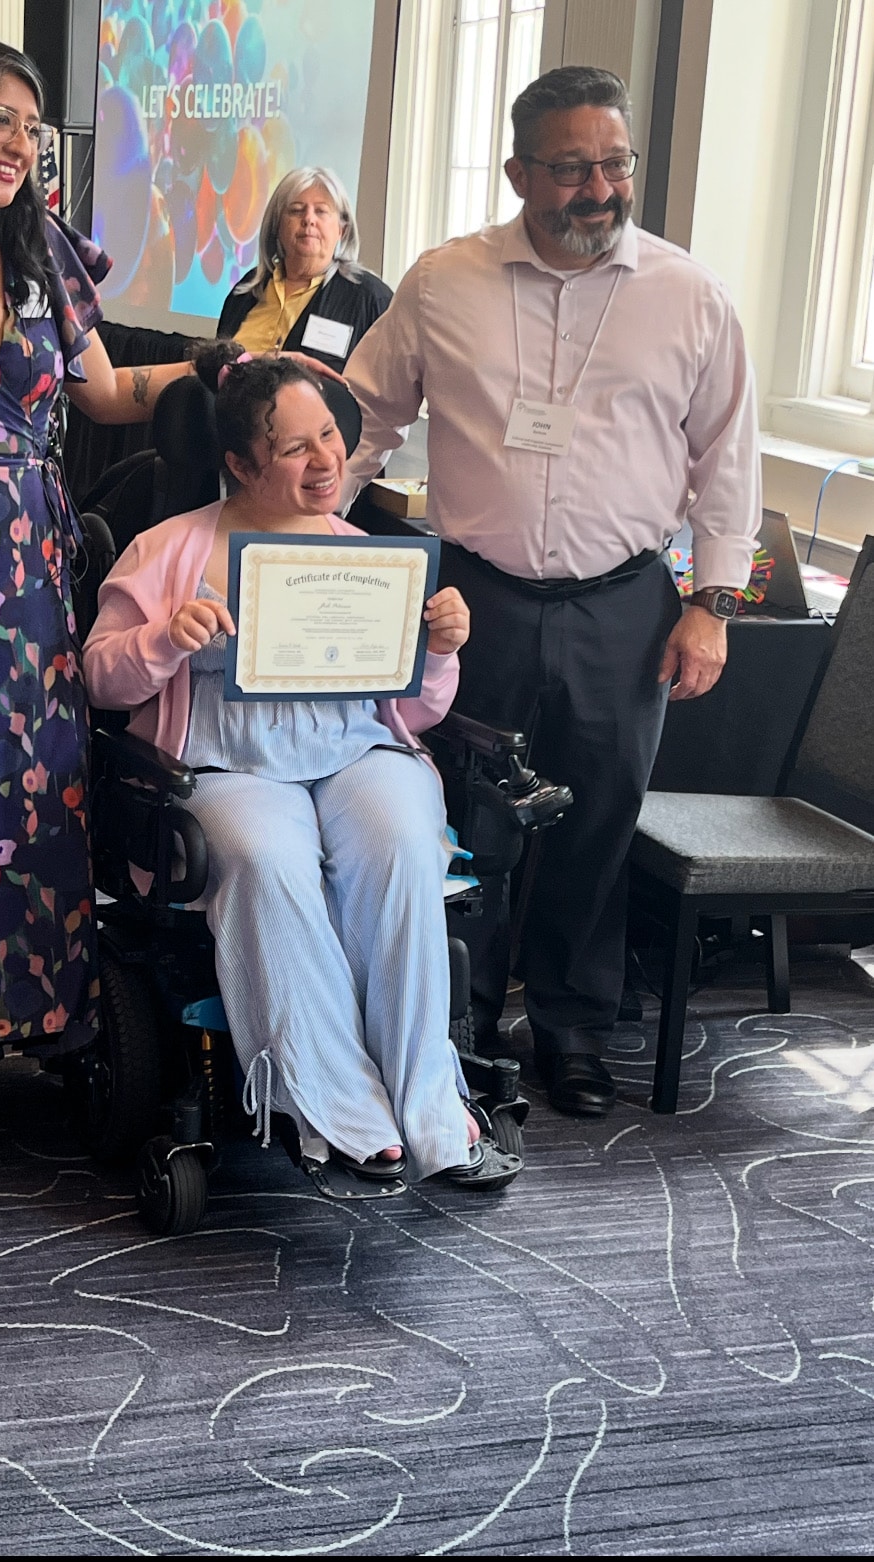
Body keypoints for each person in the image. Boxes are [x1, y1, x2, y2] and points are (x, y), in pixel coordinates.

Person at [342, 65, 761, 1119]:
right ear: (519, 171)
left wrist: (713, 603)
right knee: (462, 813)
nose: (600, 188)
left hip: (626, 607)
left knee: (598, 819)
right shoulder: (445, 282)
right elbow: (365, 416)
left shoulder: (691, 295)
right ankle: (459, 1021)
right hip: (474, 598)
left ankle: (573, 1027)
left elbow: (729, 460)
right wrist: (296, 533)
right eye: (572, 168)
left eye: (616, 164)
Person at [0, 35, 228, 1173]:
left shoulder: (41, 252)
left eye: (32, 125)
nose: (22, 143)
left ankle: (0, 1029)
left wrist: (217, 369)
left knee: (24, 792)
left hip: (26, 570)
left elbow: (104, 391)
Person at [83, 349, 499, 1186]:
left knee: (401, 845)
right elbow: (99, 678)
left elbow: (416, 711)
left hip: (354, 752)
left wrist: (440, 651)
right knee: (266, 859)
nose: (325, 461)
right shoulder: (166, 549)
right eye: (295, 448)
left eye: (330, 438)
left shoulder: (367, 555)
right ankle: (336, 1107)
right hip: (229, 763)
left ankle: (429, 1099)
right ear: (240, 463)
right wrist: (163, 639)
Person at [216, 167, 393, 374]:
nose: (309, 219)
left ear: (342, 230)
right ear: (277, 226)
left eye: (321, 211)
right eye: (296, 210)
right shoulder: (247, 289)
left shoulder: (371, 298)